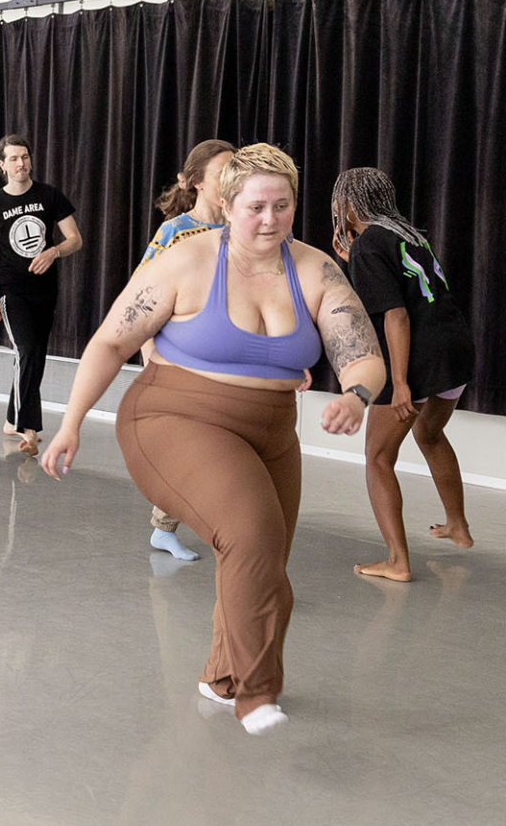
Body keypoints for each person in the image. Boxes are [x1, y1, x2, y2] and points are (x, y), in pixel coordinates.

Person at [42, 144, 385, 735]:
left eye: (282, 205)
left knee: (267, 568)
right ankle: (256, 695)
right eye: (256, 207)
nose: (270, 219)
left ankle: (222, 680)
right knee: (250, 535)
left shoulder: (314, 269)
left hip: (272, 430)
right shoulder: (187, 260)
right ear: (227, 206)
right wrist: (71, 422)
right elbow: (109, 343)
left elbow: (364, 356)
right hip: (173, 417)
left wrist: (355, 396)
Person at [330, 167, 476, 581]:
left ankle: (397, 561)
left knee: (377, 457)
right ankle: (458, 526)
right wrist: (352, 259)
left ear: (349, 205)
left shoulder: (368, 245)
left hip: (419, 357)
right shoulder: (406, 235)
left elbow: (396, 315)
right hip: (456, 348)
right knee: (429, 434)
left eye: (339, 202)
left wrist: (400, 383)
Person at [133, 139, 235, 563]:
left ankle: (168, 525)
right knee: (200, 450)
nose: (232, 181)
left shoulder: (241, 229)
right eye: (222, 173)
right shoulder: (175, 232)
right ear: (197, 183)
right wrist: (149, 352)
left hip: (231, 353)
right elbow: (142, 293)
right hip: (184, 354)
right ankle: (189, 528)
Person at [0, 135, 82, 457]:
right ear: (2, 166)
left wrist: (54, 252)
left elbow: (75, 238)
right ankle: (28, 428)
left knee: (35, 355)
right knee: (27, 349)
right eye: (14, 159)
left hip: (45, 291)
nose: (21, 163)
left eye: (25, 157)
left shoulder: (49, 196)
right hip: (11, 292)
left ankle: (11, 420)